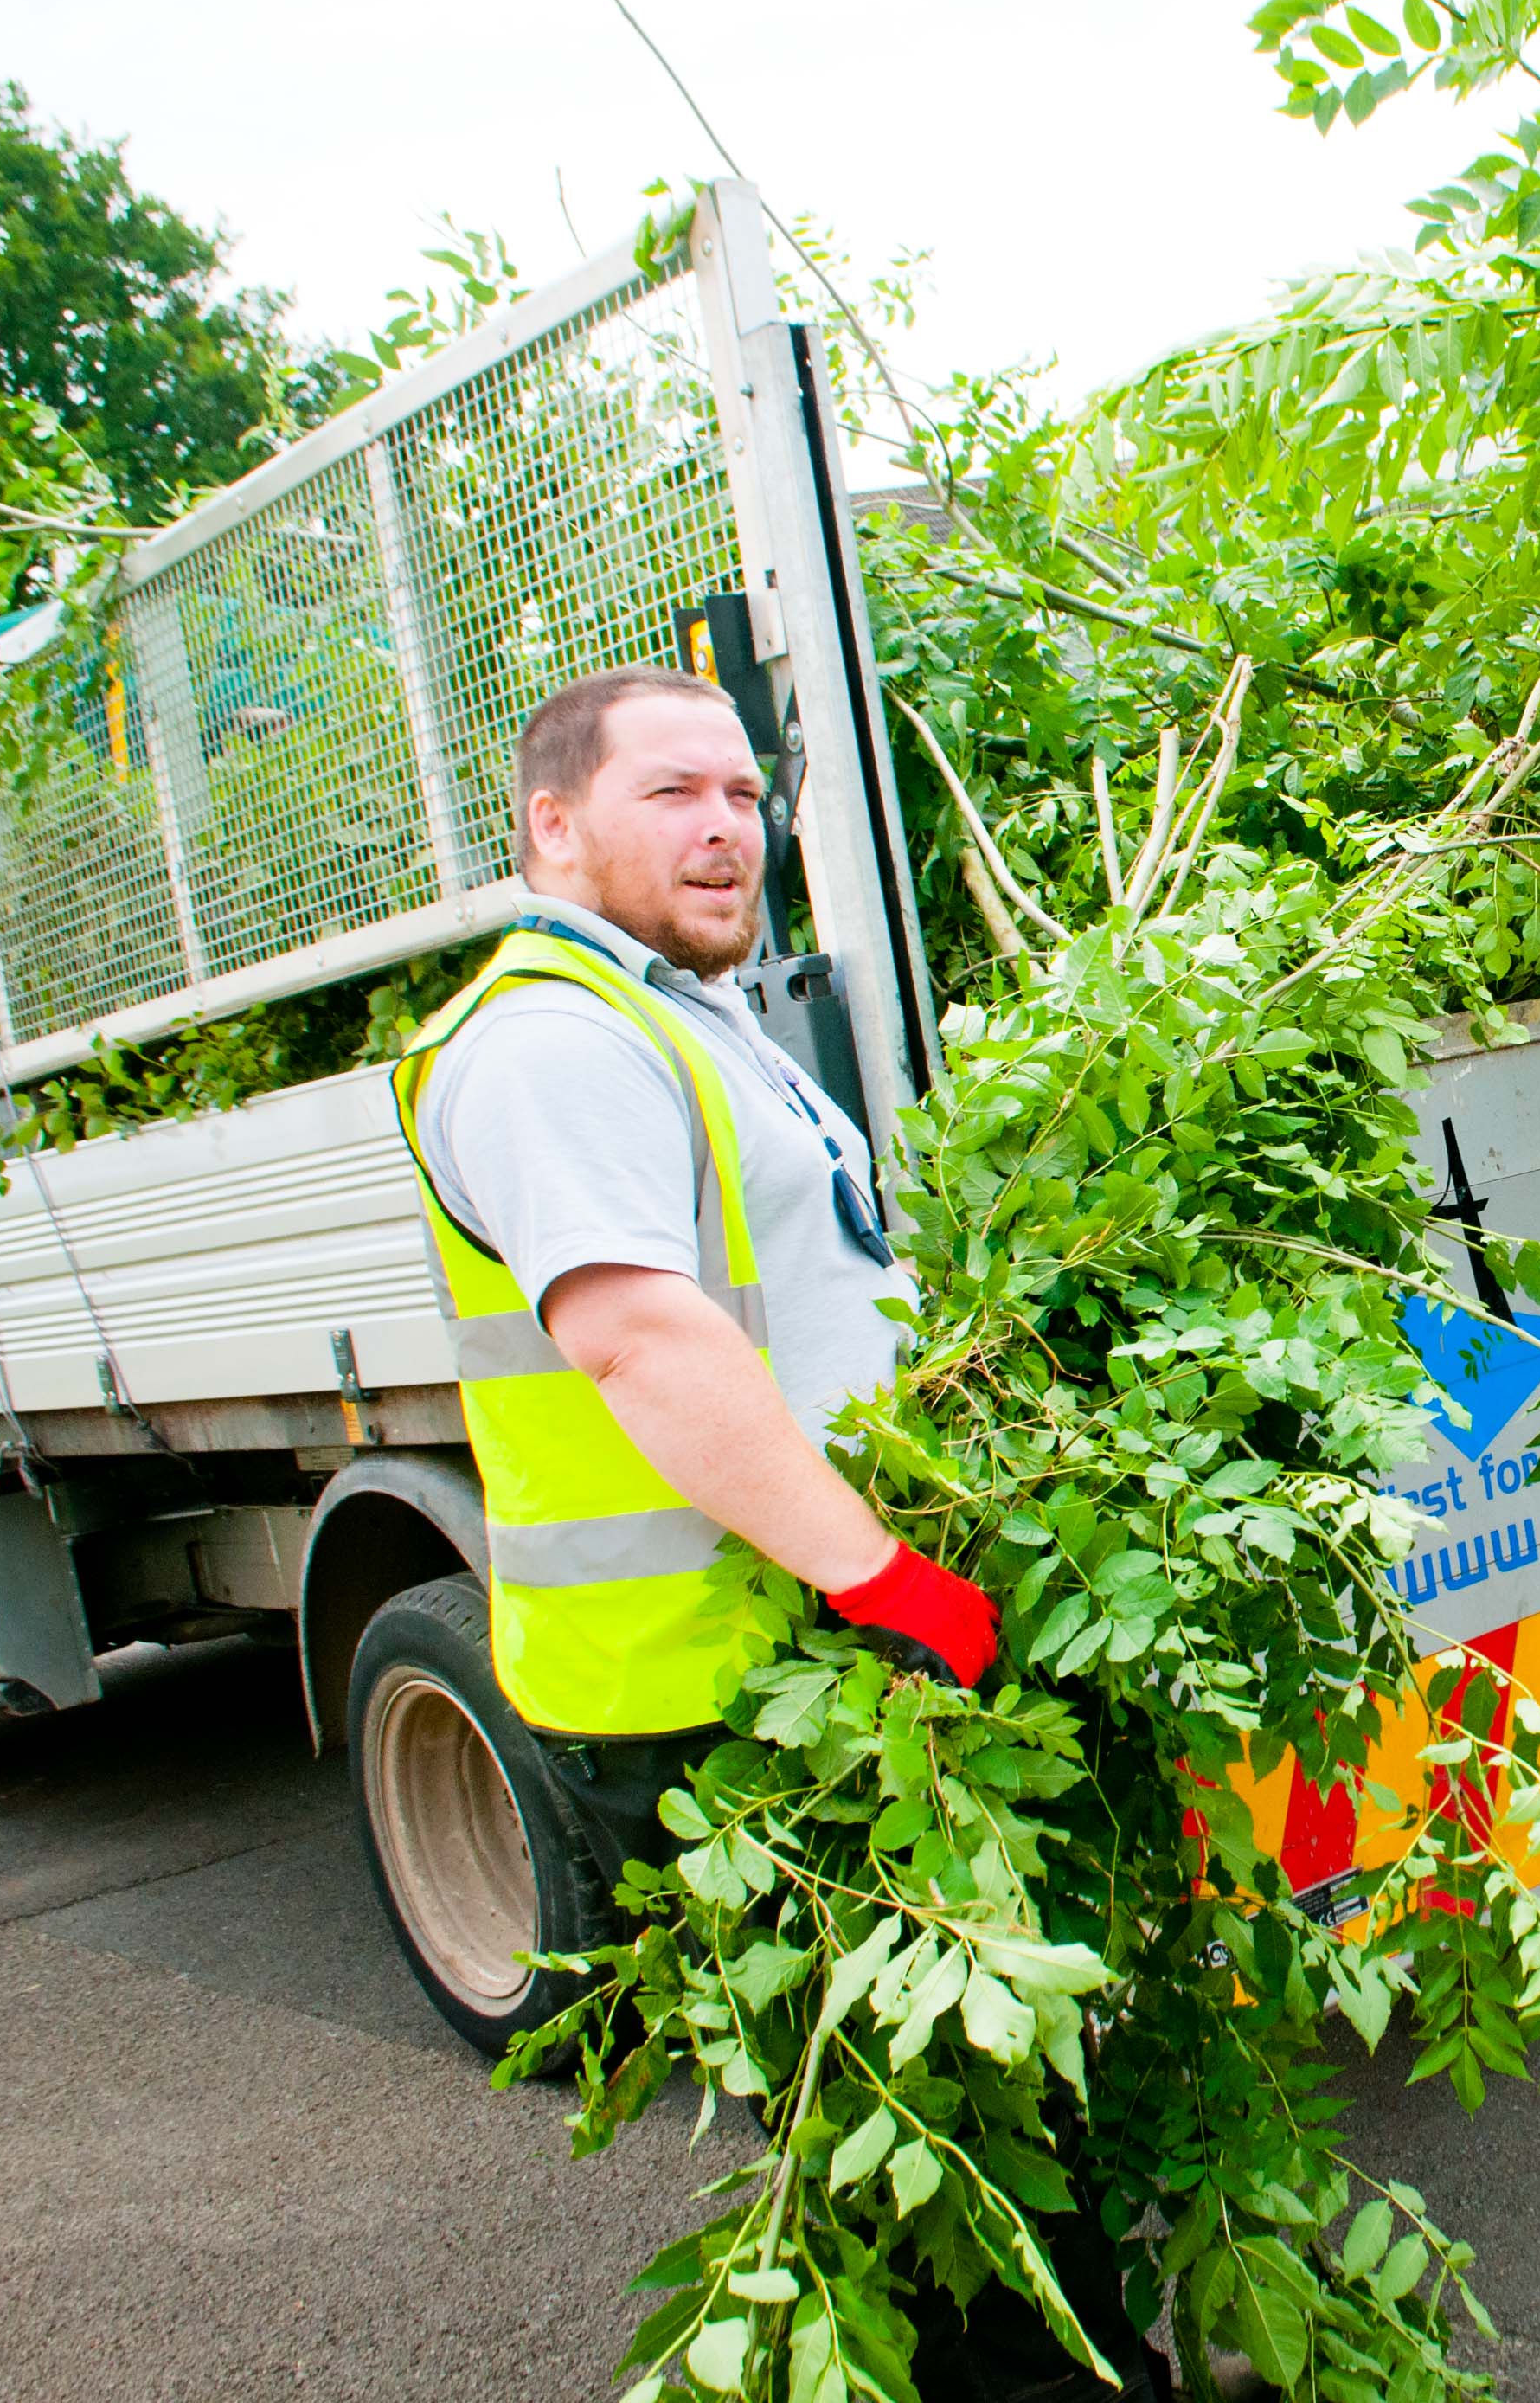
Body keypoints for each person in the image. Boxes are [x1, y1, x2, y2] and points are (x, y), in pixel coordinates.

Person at [395, 663, 1157, 2399]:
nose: (729, 826)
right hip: (713, 1695)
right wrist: (879, 1572)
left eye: (743, 790)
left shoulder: (682, 1012)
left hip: (791, 1658)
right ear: (553, 824)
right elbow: (638, 1337)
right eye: (673, 792)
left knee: (983, 2120)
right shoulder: (545, 1041)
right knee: (932, 2167)